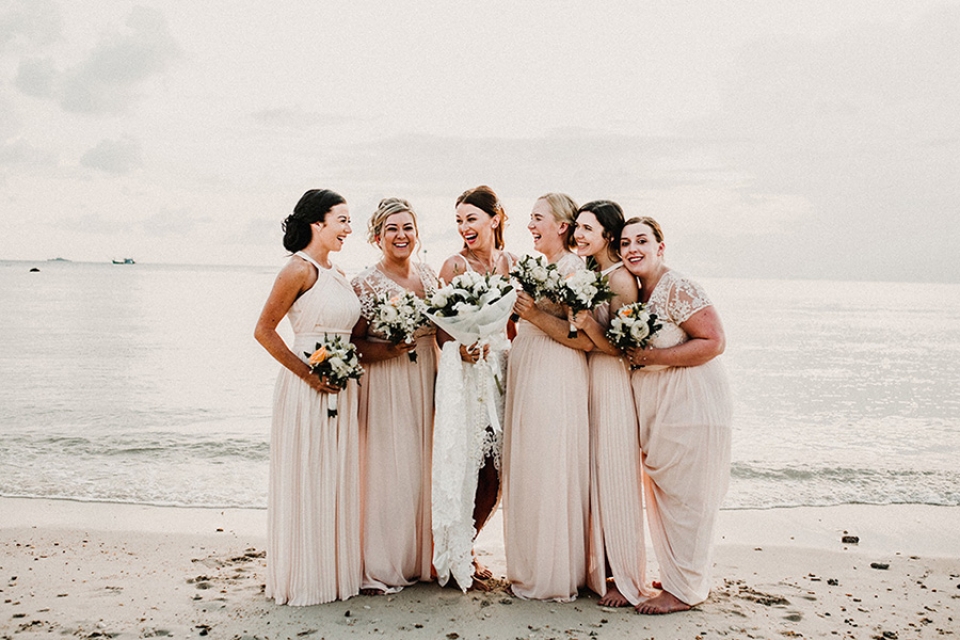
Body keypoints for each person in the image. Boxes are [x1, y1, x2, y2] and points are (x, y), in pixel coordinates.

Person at [619, 216, 733, 614]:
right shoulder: (636, 291)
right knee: (665, 491)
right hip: (659, 404)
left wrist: (654, 357)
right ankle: (676, 573)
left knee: (688, 494)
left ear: (660, 247)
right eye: (626, 242)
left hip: (691, 400)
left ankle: (684, 592)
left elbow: (715, 341)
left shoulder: (676, 287)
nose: (633, 248)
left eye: (642, 241)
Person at [254, 189, 362, 606]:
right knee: (309, 472)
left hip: (341, 385)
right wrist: (308, 375)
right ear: (318, 223)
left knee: (335, 475)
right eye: (342, 221)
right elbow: (264, 330)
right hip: (307, 385)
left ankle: (333, 572)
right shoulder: (298, 270)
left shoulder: (337, 271)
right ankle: (304, 577)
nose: (348, 229)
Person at [503, 193, 594, 602]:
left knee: (550, 460)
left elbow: (583, 339)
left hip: (556, 369)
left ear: (561, 226)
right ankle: (532, 561)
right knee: (531, 461)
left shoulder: (575, 269)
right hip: (529, 362)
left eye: (537, 218)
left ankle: (553, 571)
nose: (530, 226)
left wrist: (534, 315)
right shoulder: (542, 266)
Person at [350, 198, 439, 594]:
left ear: (417, 234)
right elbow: (353, 344)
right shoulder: (364, 284)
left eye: (407, 228)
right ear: (376, 237)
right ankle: (382, 563)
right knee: (389, 471)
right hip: (386, 382)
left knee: (424, 469)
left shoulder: (431, 277)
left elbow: (445, 329)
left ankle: (423, 561)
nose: (401, 236)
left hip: (428, 376)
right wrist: (387, 349)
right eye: (392, 229)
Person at [432, 185, 517, 590]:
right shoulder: (454, 267)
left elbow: (515, 325)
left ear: (494, 219)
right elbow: (440, 331)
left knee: (499, 471)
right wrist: (461, 350)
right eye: (460, 221)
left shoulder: (511, 263)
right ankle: (458, 555)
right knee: (471, 466)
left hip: (502, 368)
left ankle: (470, 543)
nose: (465, 228)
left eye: (472, 219)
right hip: (468, 376)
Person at [570, 200, 651, 607]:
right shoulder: (587, 274)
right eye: (577, 228)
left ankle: (625, 576)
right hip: (587, 380)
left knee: (615, 474)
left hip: (612, 382)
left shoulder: (620, 280)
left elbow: (621, 349)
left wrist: (586, 325)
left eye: (587, 229)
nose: (579, 235)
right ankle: (597, 568)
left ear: (606, 234)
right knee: (592, 475)